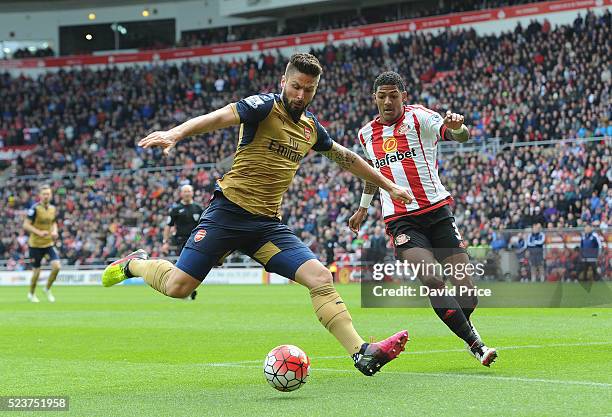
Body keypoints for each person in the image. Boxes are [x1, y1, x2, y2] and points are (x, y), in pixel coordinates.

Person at [102, 53, 412, 376]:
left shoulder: (310, 129)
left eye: (309, 90)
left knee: (320, 277)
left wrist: (388, 186)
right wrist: (176, 134)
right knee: (179, 287)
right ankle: (134, 263)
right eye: (295, 87)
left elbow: (347, 158)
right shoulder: (264, 107)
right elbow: (219, 116)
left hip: (265, 227)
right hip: (227, 214)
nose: (300, 96)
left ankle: (362, 353)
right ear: (283, 83)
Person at [349, 71, 497, 367]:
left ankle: (464, 329)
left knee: (467, 292)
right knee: (432, 278)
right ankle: (476, 344)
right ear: (374, 99)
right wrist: (364, 207)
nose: (388, 101)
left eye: (393, 95)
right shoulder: (366, 134)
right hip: (401, 219)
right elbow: (372, 175)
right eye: (382, 96)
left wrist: (458, 128)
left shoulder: (422, 118)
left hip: (437, 211)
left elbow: (459, 135)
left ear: (403, 96)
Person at [162, 184, 204, 300]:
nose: (187, 193)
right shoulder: (175, 209)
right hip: (181, 241)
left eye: (189, 191)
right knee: (184, 266)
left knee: (195, 265)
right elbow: (168, 226)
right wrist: (165, 242)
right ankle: (184, 290)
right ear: (181, 194)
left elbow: (204, 225)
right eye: (185, 191)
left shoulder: (198, 208)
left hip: (196, 241)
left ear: (193, 193)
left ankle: (188, 289)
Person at [23, 184, 60, 303]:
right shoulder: (34, 209)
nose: (46, 196)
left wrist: (55, 231)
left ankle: (47, 289)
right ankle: (31, 294)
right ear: (40, 196)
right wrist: (39, 232)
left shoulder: (53, 209)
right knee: (36, 273)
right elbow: (26, 225)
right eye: (44, 194)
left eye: (48, 194)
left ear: (51, 195)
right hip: (35, 245)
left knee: (57, 267)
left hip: (48, 243)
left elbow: (54, 223)